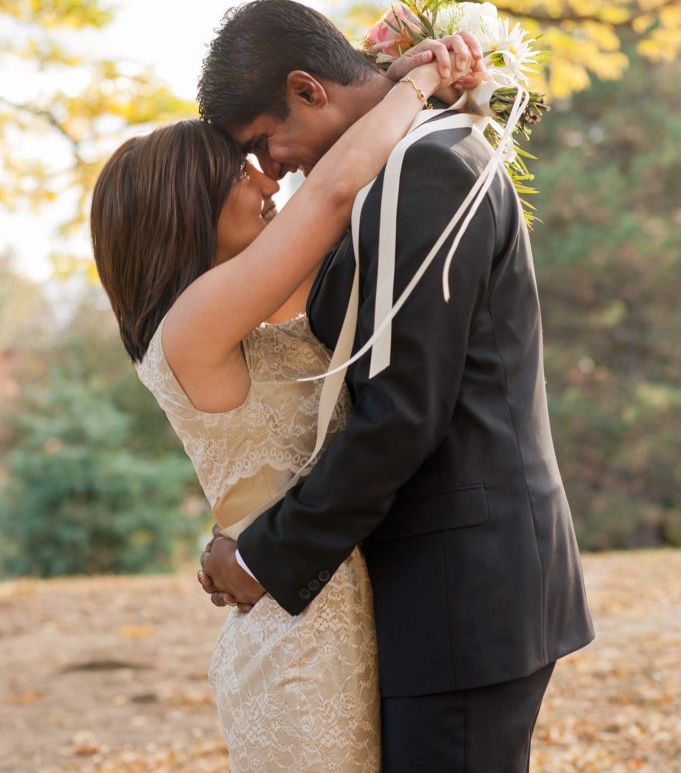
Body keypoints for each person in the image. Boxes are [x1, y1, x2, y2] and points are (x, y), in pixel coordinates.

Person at [196, 0, 595, 773]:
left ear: (308, 89)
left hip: (465, 585)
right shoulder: (401, 165)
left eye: (263, 141)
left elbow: (403, 410)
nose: (270, 168)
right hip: (441, 582)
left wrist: (261, 558)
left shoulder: (427, 168)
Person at [90, 39, 480, 773]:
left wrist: (365, 77)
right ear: (188, 205)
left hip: (337, 604)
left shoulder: (244, 301)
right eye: (243, 172)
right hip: (298, 645)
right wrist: (419, 81)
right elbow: (330, 196)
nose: (269, 181)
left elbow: (344, 192)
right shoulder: (192, 320)